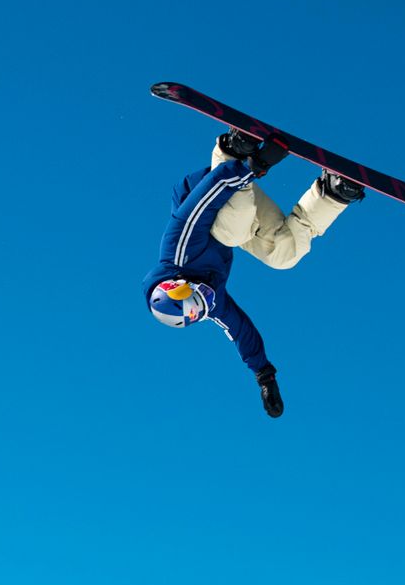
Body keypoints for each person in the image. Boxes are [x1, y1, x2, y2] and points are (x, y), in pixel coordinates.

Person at [143, 130, 364, 417]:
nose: (206, 295)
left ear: (176, 284)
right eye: (201, 305)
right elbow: (240, 331)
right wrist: (265, 376)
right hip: (239, 203)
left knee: (230, 233)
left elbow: (201, 204)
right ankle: (333, 192)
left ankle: (234, 148)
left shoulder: (179, 252)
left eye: (195, 295)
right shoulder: (210, 302)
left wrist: (249, 164)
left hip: (213, 190)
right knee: (283, 256)